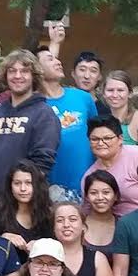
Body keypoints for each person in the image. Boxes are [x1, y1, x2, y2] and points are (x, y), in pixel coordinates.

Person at [0, 49, 60, 204]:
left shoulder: (44, 114)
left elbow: (42, 163)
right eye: (12, 71)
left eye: (24, 71)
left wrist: (20, 197)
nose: (17, 76)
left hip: (26, 205)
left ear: (34, 76)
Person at [39, 44, 101, 197]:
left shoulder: (83, 97)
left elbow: (98, 135)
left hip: (88, 185)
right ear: (37, 69)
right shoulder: (34, 105)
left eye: (57, 59)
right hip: (51, 189)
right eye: (50, 59)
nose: (58, 62)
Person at [81, 117, 138, 217]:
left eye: (107, 138)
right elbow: (88, 212)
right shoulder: (89, 176)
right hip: (118, 227)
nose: (100, 143)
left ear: (120, 139)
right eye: (95, 139)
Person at [0, 161, 54, 259]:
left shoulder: (49, 214)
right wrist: (2, 238)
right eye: (17, 183)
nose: (23, 188)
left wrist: (42, 245)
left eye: (28, 183)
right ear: (10, 186)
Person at [52, 200, 111, 276]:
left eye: (73, 219)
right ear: (53, 228)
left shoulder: (98, 259)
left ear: (84, 226)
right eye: (60, 220)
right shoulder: (45, 258)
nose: (66, 225)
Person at [82, 169, 122, 253]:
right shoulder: (78, 224)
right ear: (86, 197)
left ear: (116, 196)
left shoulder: (124, 225)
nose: (100, 197)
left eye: (106, 192)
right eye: (93, 193)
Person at [68, 51, 113, 123]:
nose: (87, 76)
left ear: (99, 77)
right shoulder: (65, 102)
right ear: (73, 73)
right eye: (82, 70)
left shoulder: (105, 109)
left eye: (93, 71)